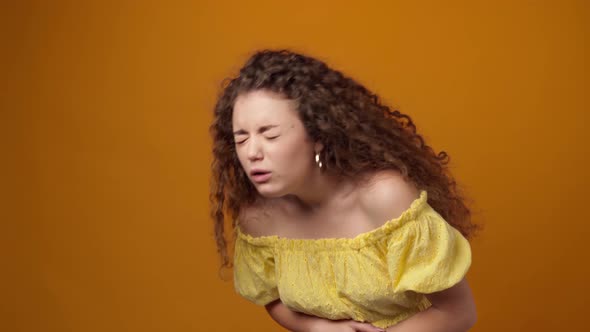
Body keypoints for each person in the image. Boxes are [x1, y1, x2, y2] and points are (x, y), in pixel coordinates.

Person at [209, 49, 481, 332]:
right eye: (241, 139)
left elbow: (458, 313)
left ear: (318, 135)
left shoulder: (385, 197)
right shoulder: (258, 218)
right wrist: (317, 327)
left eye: (270, 135)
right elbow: (271, 298)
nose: (252, 152)